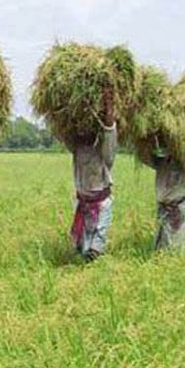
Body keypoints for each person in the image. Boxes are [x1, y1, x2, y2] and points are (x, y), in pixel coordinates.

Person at [69, 87, 117, 261]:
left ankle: (95, 260)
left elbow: (110, 129)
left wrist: (109, 106)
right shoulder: (77, 148)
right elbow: (63, 132)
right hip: (82, 203)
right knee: (81, 250)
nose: (84, 132)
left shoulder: (104, 150)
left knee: (95, 249)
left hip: (101, 204)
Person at [149, 151, 185, 251]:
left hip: (177, 207)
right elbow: (145, 156)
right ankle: (161, 259)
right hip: (163, 206)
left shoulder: (184, 161)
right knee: (161, 242)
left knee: (176, 241)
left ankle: (174, 261)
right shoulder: (160, 162)